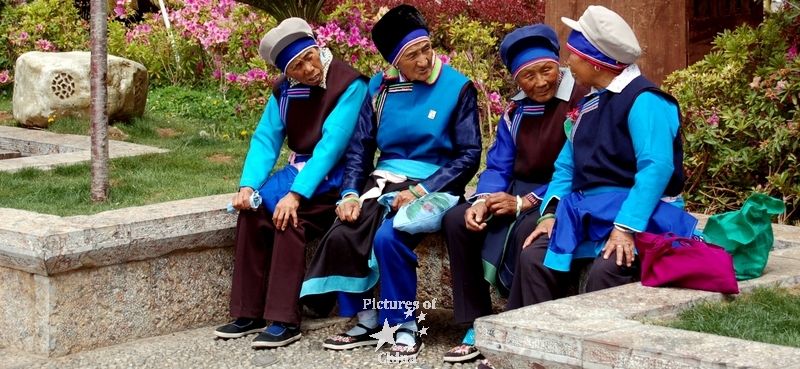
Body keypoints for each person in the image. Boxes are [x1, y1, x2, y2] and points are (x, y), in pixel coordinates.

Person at [299, 5, 481, 362]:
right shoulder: (379, 90)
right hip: (383, 180)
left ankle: (403, 325)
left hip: (436, 184)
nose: (425, 60)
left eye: (427, 48)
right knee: (343, 231)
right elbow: (361, 148)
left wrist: (420, 190)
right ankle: (367, 320)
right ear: (396, 61)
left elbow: (469, 155)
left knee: (388, 236)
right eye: (412, 55)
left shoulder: (458, 88)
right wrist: (350, 192)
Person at [510, 6, 698, 309]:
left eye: (572, 55)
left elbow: (657, 167)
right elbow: (565, 169)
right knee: (535, 255)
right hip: (589, 213)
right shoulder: (588, 104)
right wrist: (549, 215)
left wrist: (624, 228)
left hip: (641, 216)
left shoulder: (646, 101)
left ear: (594, 63)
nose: (568, 63)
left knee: (608, 269)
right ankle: (539, 348)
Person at [213, 17, 368, 348]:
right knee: (251, 213)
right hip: (297, 173)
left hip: (336, 181)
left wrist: (295, 195)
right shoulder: (283, 91)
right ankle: (247, 312)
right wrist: (248, 186)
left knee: (289, 219)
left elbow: (332, 145)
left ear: (318, 47)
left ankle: (285, 320)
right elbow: (266, 139)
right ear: (286, 72)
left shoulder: (349, 84)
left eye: (310, 57)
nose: (309, 70)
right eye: (297, 67)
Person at [439, 24, 587, 363]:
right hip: (513, 190)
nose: (540, 83)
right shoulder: (514, 111)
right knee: (457, 219)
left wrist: (525, 203)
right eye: (527, 76)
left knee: (525, 231)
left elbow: (579, 168)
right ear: (516, 80)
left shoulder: (580, 102)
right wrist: (483, 200)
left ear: (558, 65)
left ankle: (513, 321)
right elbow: (499, 165)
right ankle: (477, 322)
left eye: (547, 70)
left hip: (558, 193)